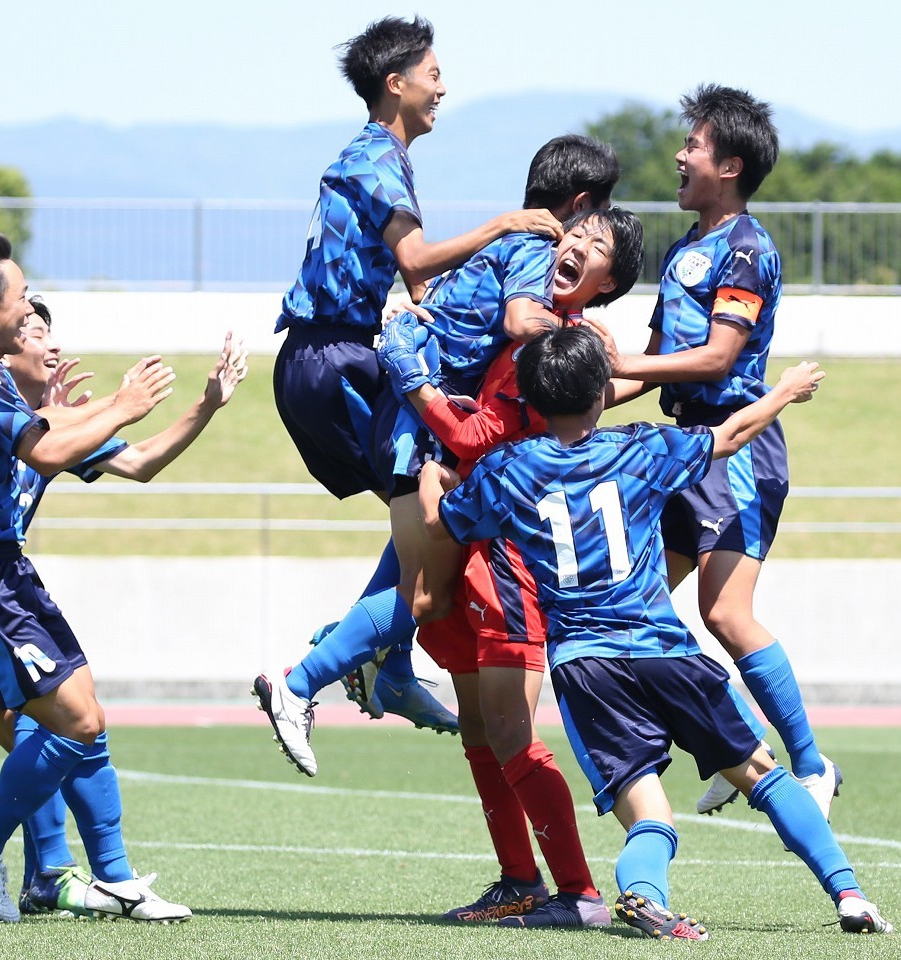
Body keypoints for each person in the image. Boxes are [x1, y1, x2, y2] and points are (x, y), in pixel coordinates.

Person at [419, 324, 893, 939]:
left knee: (648, 812)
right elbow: (728, 438)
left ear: (531, 402)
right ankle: (849, 894)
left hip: (586, 667)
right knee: (762, 775)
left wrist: (433, 481)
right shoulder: (639, 448)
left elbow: (441, 527)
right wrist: (783, 392)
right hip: (663, 650)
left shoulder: (508, 469)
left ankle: (645, 894)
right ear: (600, 395)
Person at [255, 135, 619, 776]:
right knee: (425, 595)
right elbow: (516, 323)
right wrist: (583, 342)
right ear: (580, 205)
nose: (581, 244)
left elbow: (440, 299)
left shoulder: (512, 247)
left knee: (421, 576)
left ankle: (387, 667)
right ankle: (300, 682)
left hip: (418, 408)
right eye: (590, 226)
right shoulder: (534, 248)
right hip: (418, 419)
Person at [0, 231, 190, 923]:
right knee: (72, 719)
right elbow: (47, 453)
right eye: (21, 293)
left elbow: (74, 439)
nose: (30, 303)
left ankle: (107, 877)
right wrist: (123, 403)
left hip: (4, 570)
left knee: (84, 720)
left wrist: (159, 408)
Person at [383, 207, 643, 928]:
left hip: (511, 566)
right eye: (573, 233)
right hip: (481, 553)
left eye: (595, 245)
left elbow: (475, 431)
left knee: (511, 735)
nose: (574, 245)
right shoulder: (547, 332)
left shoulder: (563, 347)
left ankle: (580, 892)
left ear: (611, 281)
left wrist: (415, 383)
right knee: (480, 730)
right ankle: (518, 879)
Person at [592, 84, 839, 819]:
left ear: (729, 164)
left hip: (736, 450)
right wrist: (589, 403)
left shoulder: (747, 247)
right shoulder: (685, 250)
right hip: (681, 451)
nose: (678, 155)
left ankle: (811, 764)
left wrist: (626, 367)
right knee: (634, 609)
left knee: (726, 614)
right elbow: (662, 357)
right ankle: (738, 740)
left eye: (693, 146)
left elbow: (716, 358)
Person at [272, 14, 561, 503]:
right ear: (395, 84)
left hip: (321, 358)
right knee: (428, 505)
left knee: (425, 511)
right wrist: (506, 224)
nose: (443, 89)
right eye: (433, 75)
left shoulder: (375, 154)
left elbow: (416, 280)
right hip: (332, 359)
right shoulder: (378, 157)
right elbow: (417, 258)